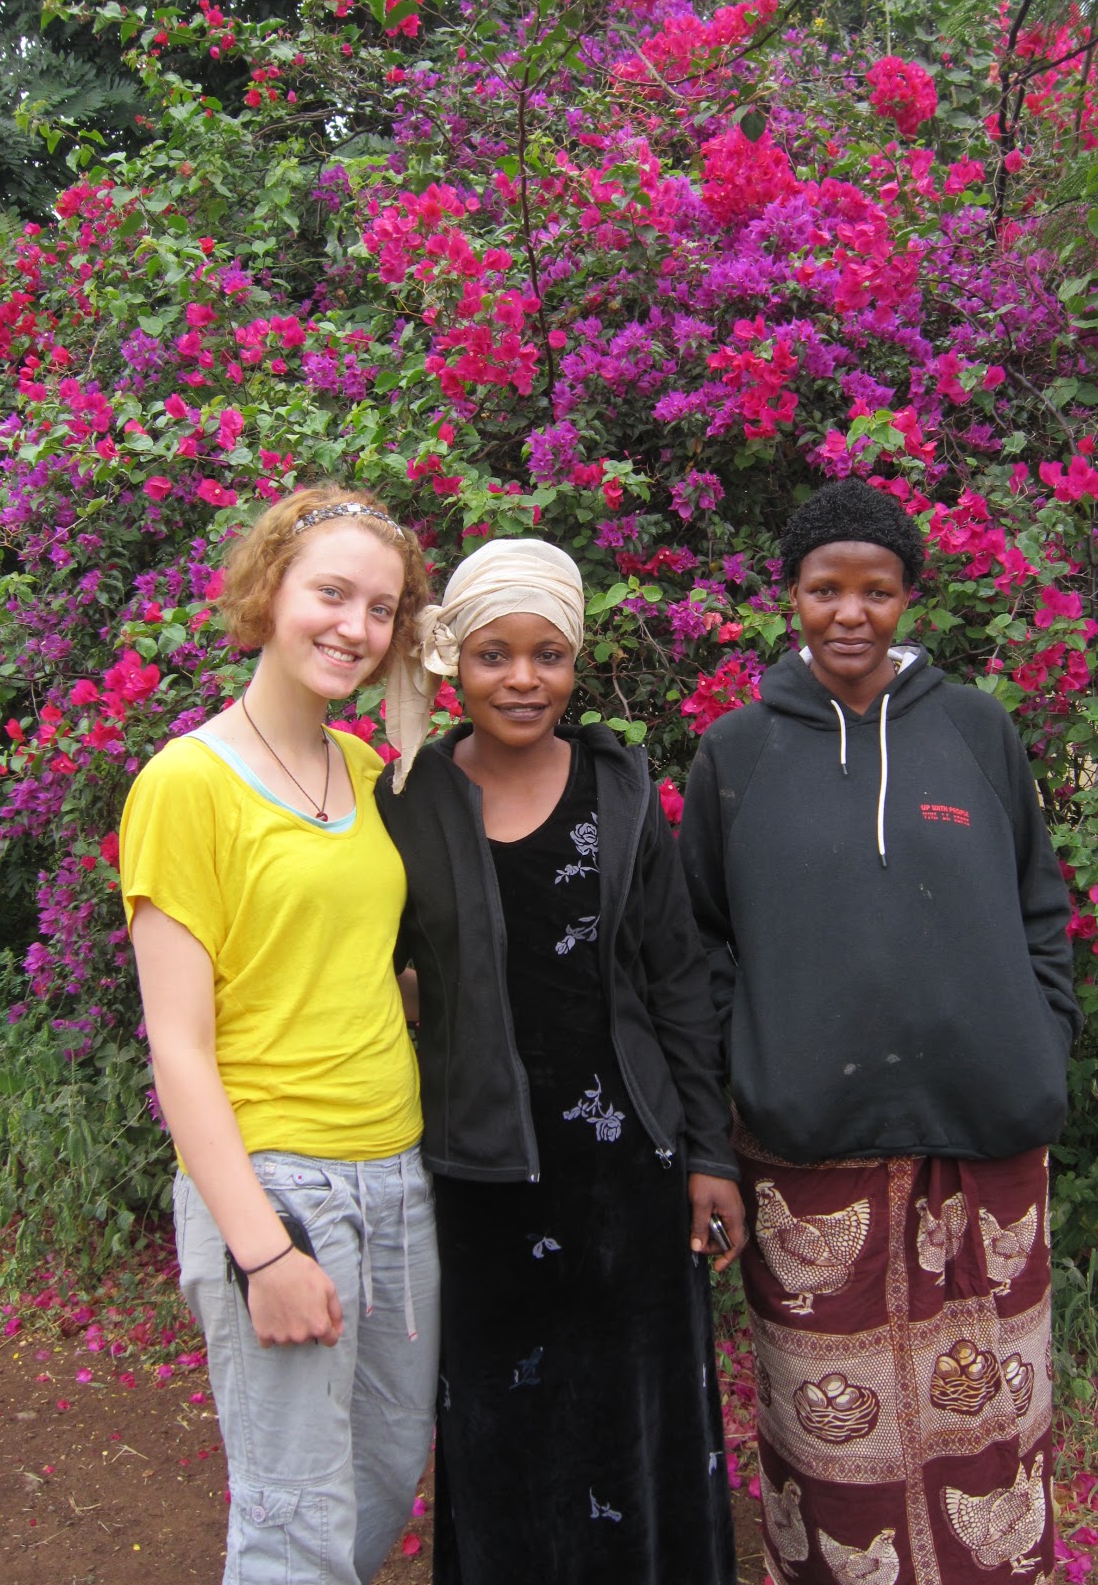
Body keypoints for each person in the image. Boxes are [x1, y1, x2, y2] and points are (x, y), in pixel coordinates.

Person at [679, 478, 1081, 1585]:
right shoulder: (737, 753)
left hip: (985, 1135)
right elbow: (702, 949)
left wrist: (1038, 1042)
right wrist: (739, 1093)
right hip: (810, 1150)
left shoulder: (975, 730)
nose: (849, 613)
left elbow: (1040, 907)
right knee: (832, 1427)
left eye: (877, 590)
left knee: (990, 1414)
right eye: (826, 590)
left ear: (908, 598)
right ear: (792, 595)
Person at [376, 536, 745, 1585]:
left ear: (576, 661)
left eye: (549, 655)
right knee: (504, 1427)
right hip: (482, 1172)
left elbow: (675, 976)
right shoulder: (407, 800)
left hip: (628, 1171)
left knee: (637, 1415)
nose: (523, 680)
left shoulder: (619, 789)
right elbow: (374, 967)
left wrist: (708, 1153)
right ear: (454, 662)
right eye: (494, 655)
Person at [120, 487, 440, 1585]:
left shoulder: (366, 770)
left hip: (397, 1172)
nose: (357, 627)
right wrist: (261, 1248)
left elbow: (371, 971)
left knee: (385, 1475)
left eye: (383, 609)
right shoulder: (187, 784)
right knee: (294, 1516)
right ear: (268, 593)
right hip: (279, 1183)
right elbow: (178, 1045)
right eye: (332, 594)